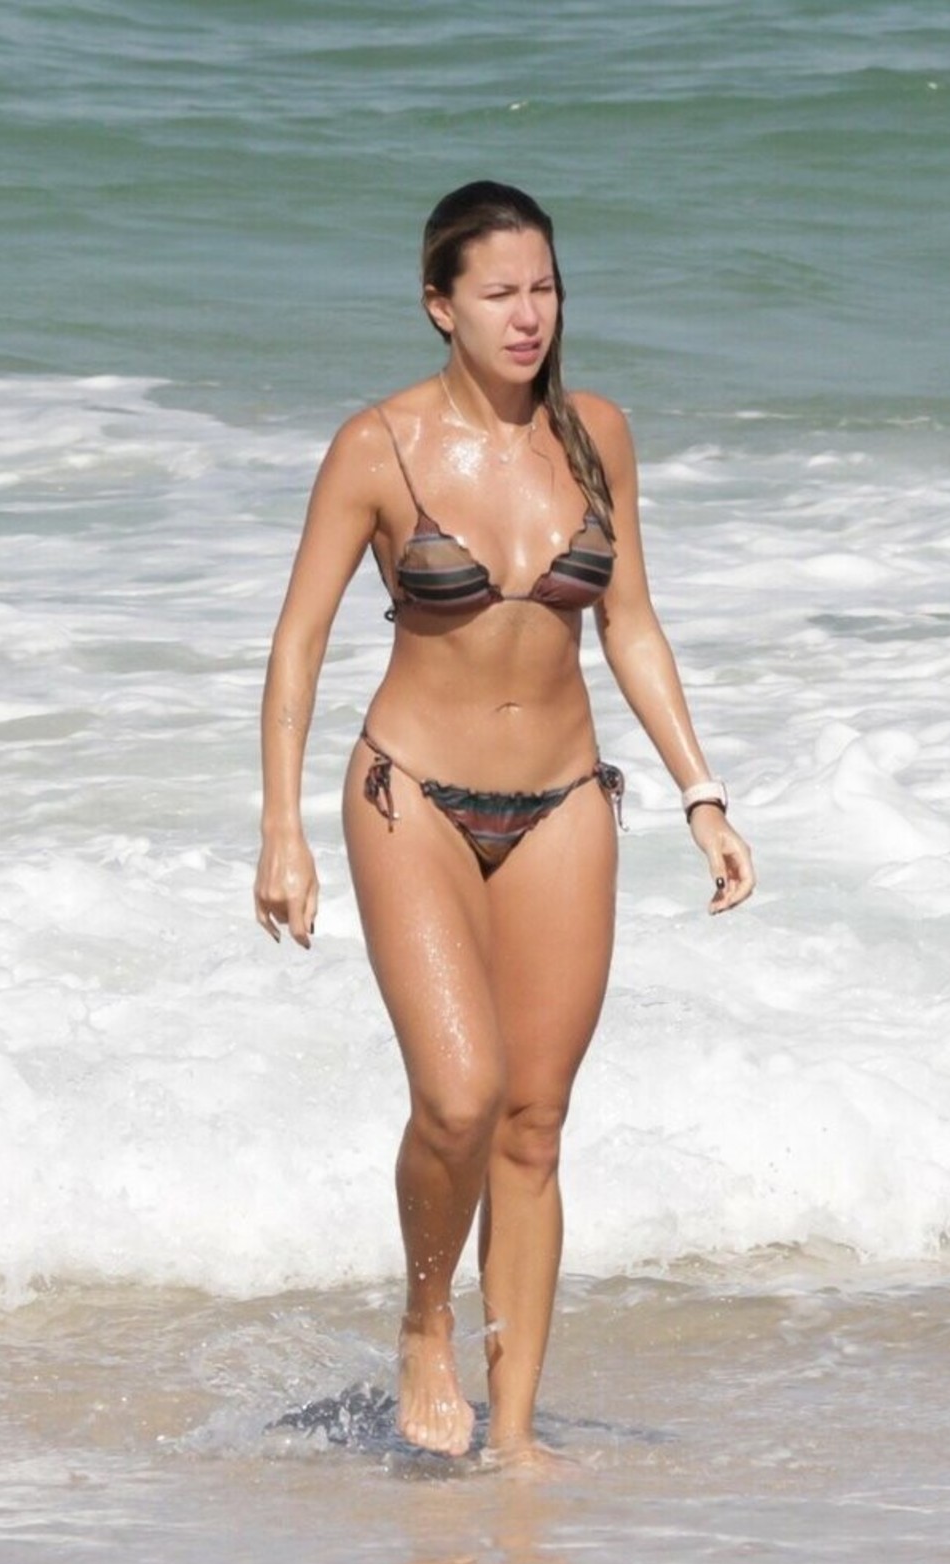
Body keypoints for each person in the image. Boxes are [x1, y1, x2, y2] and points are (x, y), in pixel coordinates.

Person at [254, 180, 755, 1465]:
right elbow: (299, 642)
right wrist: (281, 828)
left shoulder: (598, 435)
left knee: (533, 1121)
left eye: (544, 288)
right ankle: (426, 1318)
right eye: (499, 293)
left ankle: (518, 1435)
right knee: (460, 1096)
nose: (528, 315)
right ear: (441, 305)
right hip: (410, 793)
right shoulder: (378, 447)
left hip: (566, 799)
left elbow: (629, 623)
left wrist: (700, 790)